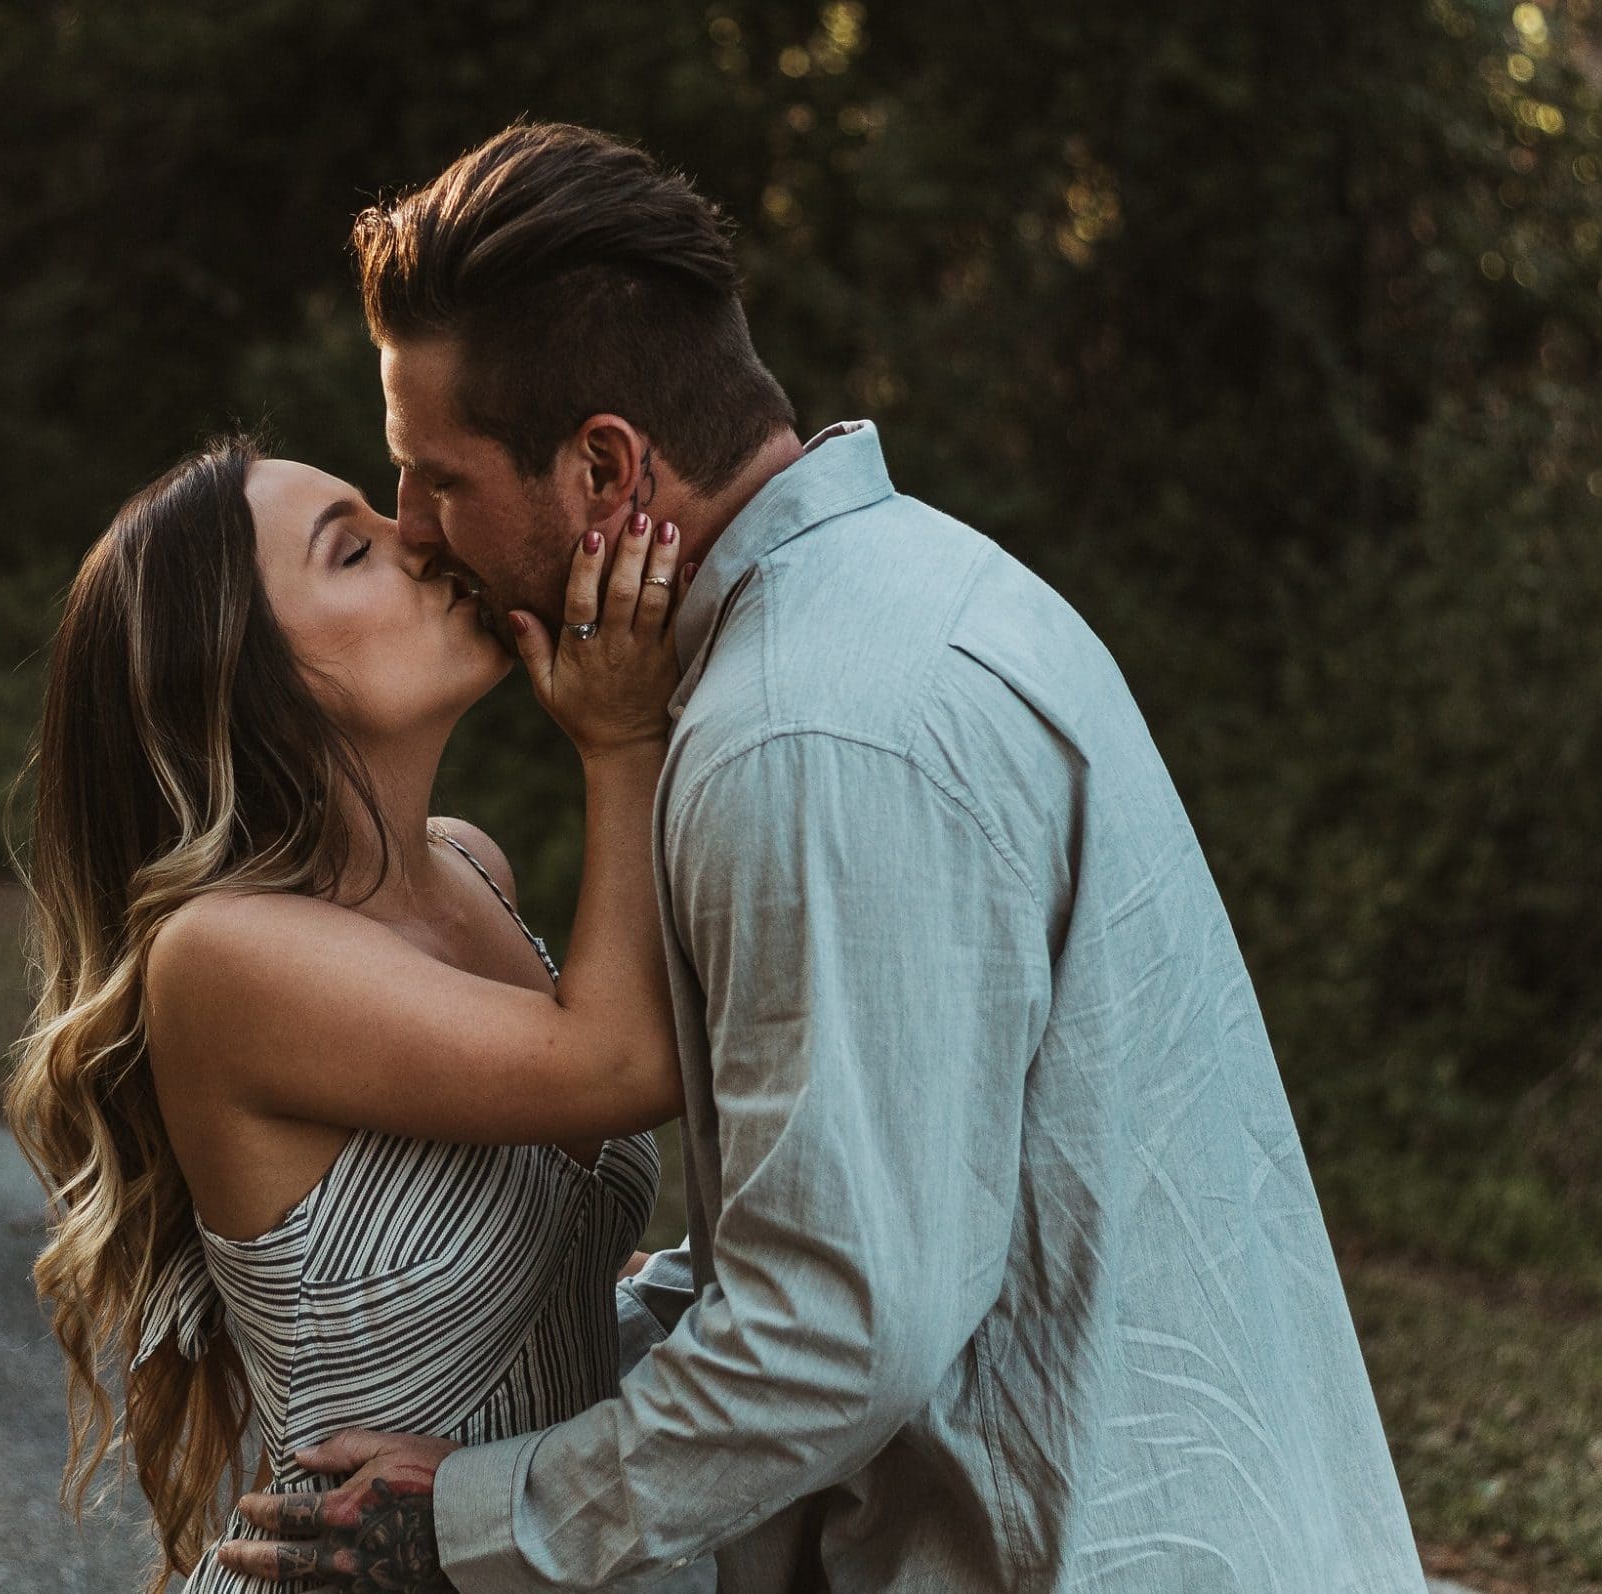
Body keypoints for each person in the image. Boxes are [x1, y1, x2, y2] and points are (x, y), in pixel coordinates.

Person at [224, 123, 1430, 1591]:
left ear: (604, 467)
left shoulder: (801, 734)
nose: (417, 527)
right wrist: (509, 1386)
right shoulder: (922, 593)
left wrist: (470, 1518)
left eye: (439, 478)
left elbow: (833, 1325)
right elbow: (851, 1226)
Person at [4, 435, 711, 1592]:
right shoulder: (226, 957)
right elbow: (625, 1060)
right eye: (353, 550)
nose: (422, 538)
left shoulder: (472, 869)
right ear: (246, 682)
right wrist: (625, 738)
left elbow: (564, 1218)